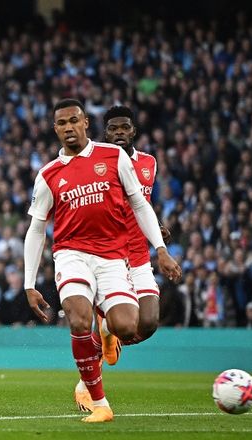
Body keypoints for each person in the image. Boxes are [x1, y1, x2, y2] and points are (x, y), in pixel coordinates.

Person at [23, 99, 181, 422]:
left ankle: (107, 332)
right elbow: (36, 228)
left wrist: (160, 249)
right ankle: (100, 403)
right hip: (71, 255)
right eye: (62, 123)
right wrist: (28, 283)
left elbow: (140, 204)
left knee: (133, 325)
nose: (69, 128)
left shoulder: (116, 158)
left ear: (85, 124)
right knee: (79, 318)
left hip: (114, 255)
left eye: (74, 121)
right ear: (55, 129)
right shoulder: (48, 175)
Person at [74, 105, 172, 412]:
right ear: (104, 132)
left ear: (133, 131)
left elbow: (142, 204)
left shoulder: (148, 163)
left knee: (150, 322)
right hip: (110, 254)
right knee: (125, 324)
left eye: (124, 128)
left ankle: (105, 333)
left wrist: (155, 231)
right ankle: (89, 377)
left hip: (139, 254)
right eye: (113, 128)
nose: (119, 133)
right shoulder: (97, 161)